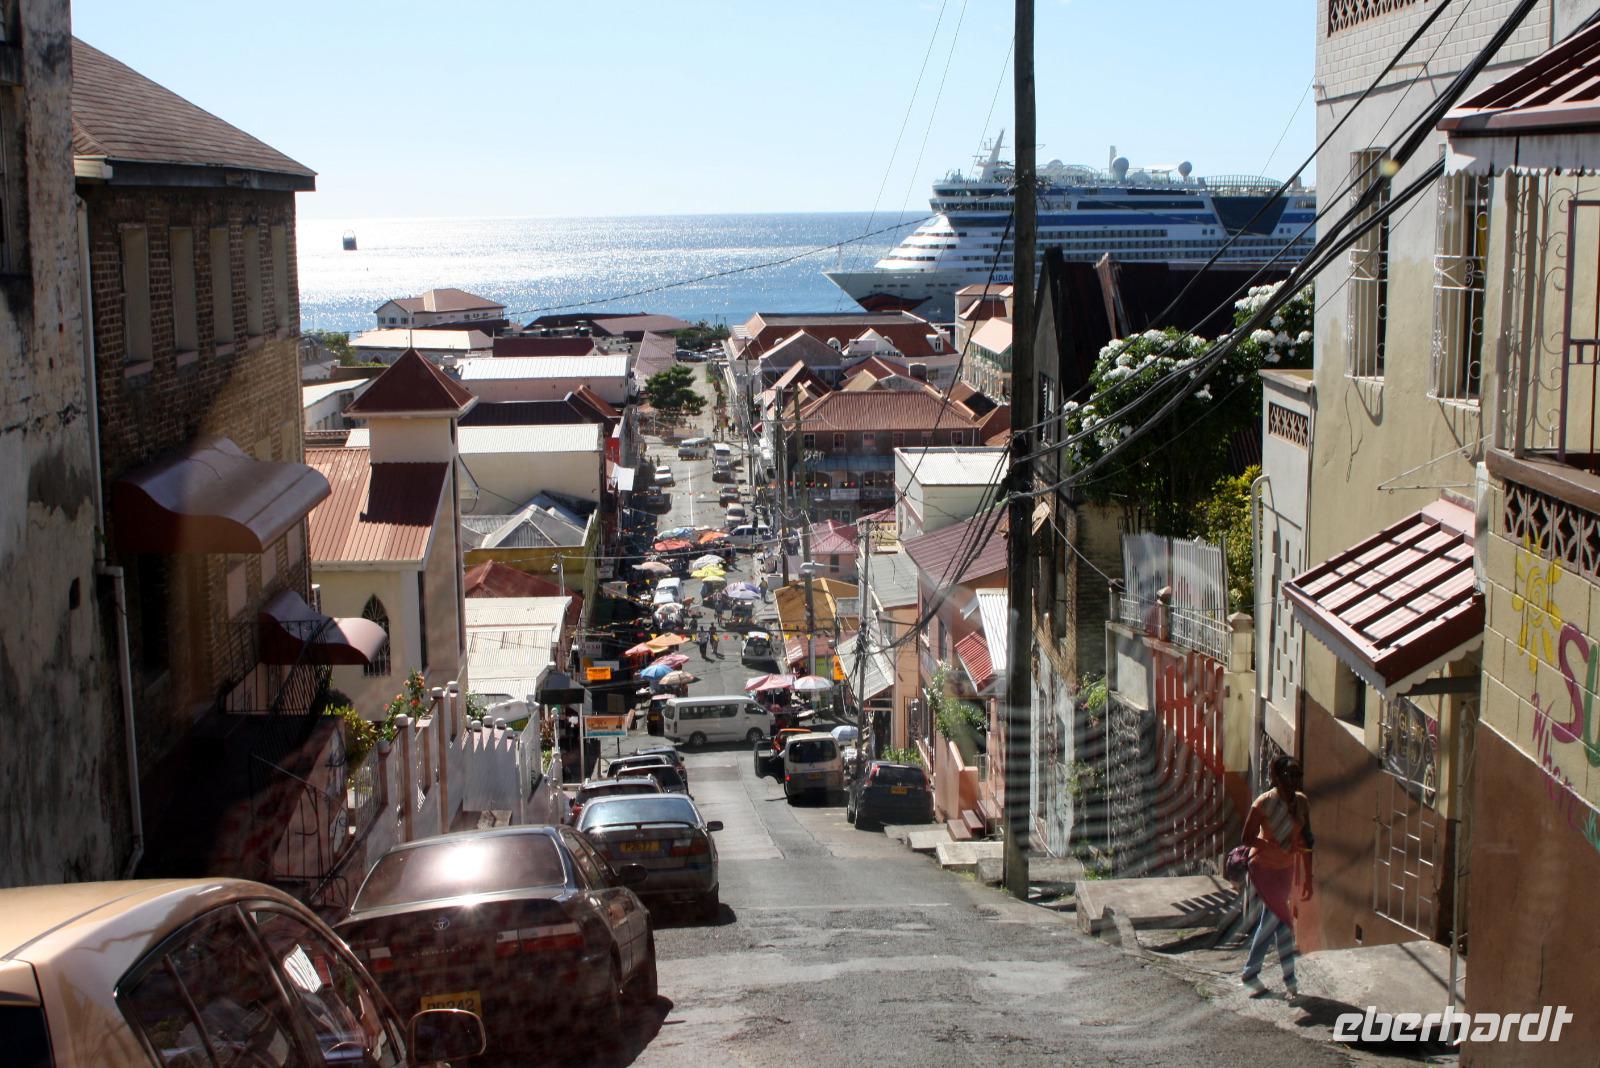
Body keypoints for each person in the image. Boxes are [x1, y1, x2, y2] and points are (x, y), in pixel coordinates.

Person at [1239, 755, 1314, 998]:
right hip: (1263, 869)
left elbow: (1307, 842)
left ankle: (1254, 974)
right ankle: (1287, 979)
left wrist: (1308, 878)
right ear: (1276, 778)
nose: (1294, 781)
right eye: (1289, 775)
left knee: (1272, 921)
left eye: (1297, 775)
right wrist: (1270, 845)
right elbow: (1247, 837)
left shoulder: (1301, 803)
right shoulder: (1265, 803)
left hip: (1285, 870)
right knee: (1280, 921)